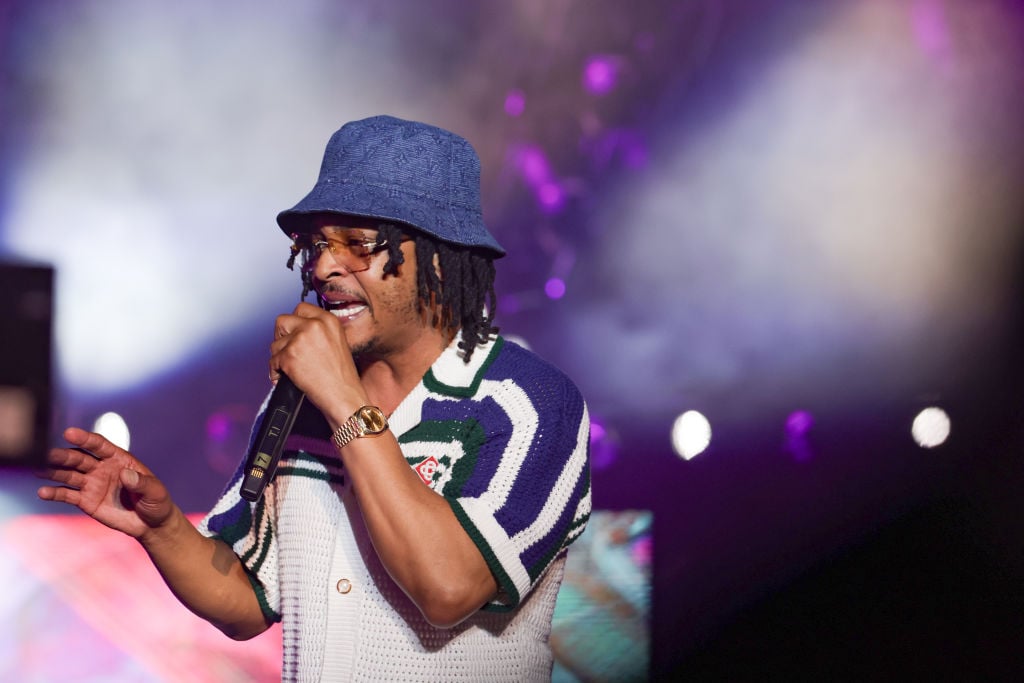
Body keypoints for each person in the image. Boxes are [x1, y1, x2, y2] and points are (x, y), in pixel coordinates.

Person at [38, 114, 592, 681]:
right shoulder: (304, 401)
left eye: (357, 244)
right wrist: (161, 528)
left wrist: (344, 401)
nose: (326, 267)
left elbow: (448, 587)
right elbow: (249, 601)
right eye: (318, 244)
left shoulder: (528, 403)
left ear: (436, 257)